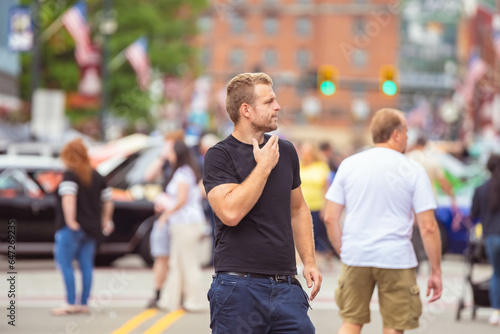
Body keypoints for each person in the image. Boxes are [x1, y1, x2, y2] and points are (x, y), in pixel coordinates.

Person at [203, 72, 322, 333]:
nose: (277, 107)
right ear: (246, 110)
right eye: (269, 102)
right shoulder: (219, 156)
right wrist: (264, 167)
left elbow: (299, 209)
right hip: (238, 289)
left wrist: (309, 262)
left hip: (286, 287)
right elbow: (230, 212)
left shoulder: (287, 151)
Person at [323, 108, 442, 334]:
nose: (408, 138)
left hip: (356, 255)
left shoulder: (349, 165)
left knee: (351, 321)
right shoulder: (413, 169)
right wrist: (436, 271)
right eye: (406, 132)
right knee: (394, 325)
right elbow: (428, 227)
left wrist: (344, 250)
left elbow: (330, 217)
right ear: (396, 135)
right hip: (395, 257)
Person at [51, 138, 114, 315]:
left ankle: (71, 302)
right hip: (92, 228)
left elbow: (68, 198)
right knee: (86, 264)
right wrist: (105, 220)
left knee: (65, 263)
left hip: (72, 228)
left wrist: (71, 221)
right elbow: (108, 200)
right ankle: (84, 302)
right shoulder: (97, 175)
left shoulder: (70, 174)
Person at [158, 139, 208, 312]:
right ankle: (174, 299)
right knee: (177, 262)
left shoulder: (183, 173)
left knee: (187, 262)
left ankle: (194, 300)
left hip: (186, 223)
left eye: (171, 152)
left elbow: (181, 200)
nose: (168, 155)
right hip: (184, 222)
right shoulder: (185, 172)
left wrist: (165, 214)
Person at [470, 154, 500, 325]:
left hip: (491, 237)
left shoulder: (481, 189)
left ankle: (496, 311)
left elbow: (473, 214)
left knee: (497, 273)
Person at [299, 142, 334, 267]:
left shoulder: (321, 166)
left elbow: (326, 187)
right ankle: (308, 259)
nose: (305, 155)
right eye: (303, 152)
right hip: (301, 207)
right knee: (303, 233)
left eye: (307, 152)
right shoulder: (299, 166)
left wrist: (326, 207)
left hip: (317, 206)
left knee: (317, 234)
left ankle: (320, 257)